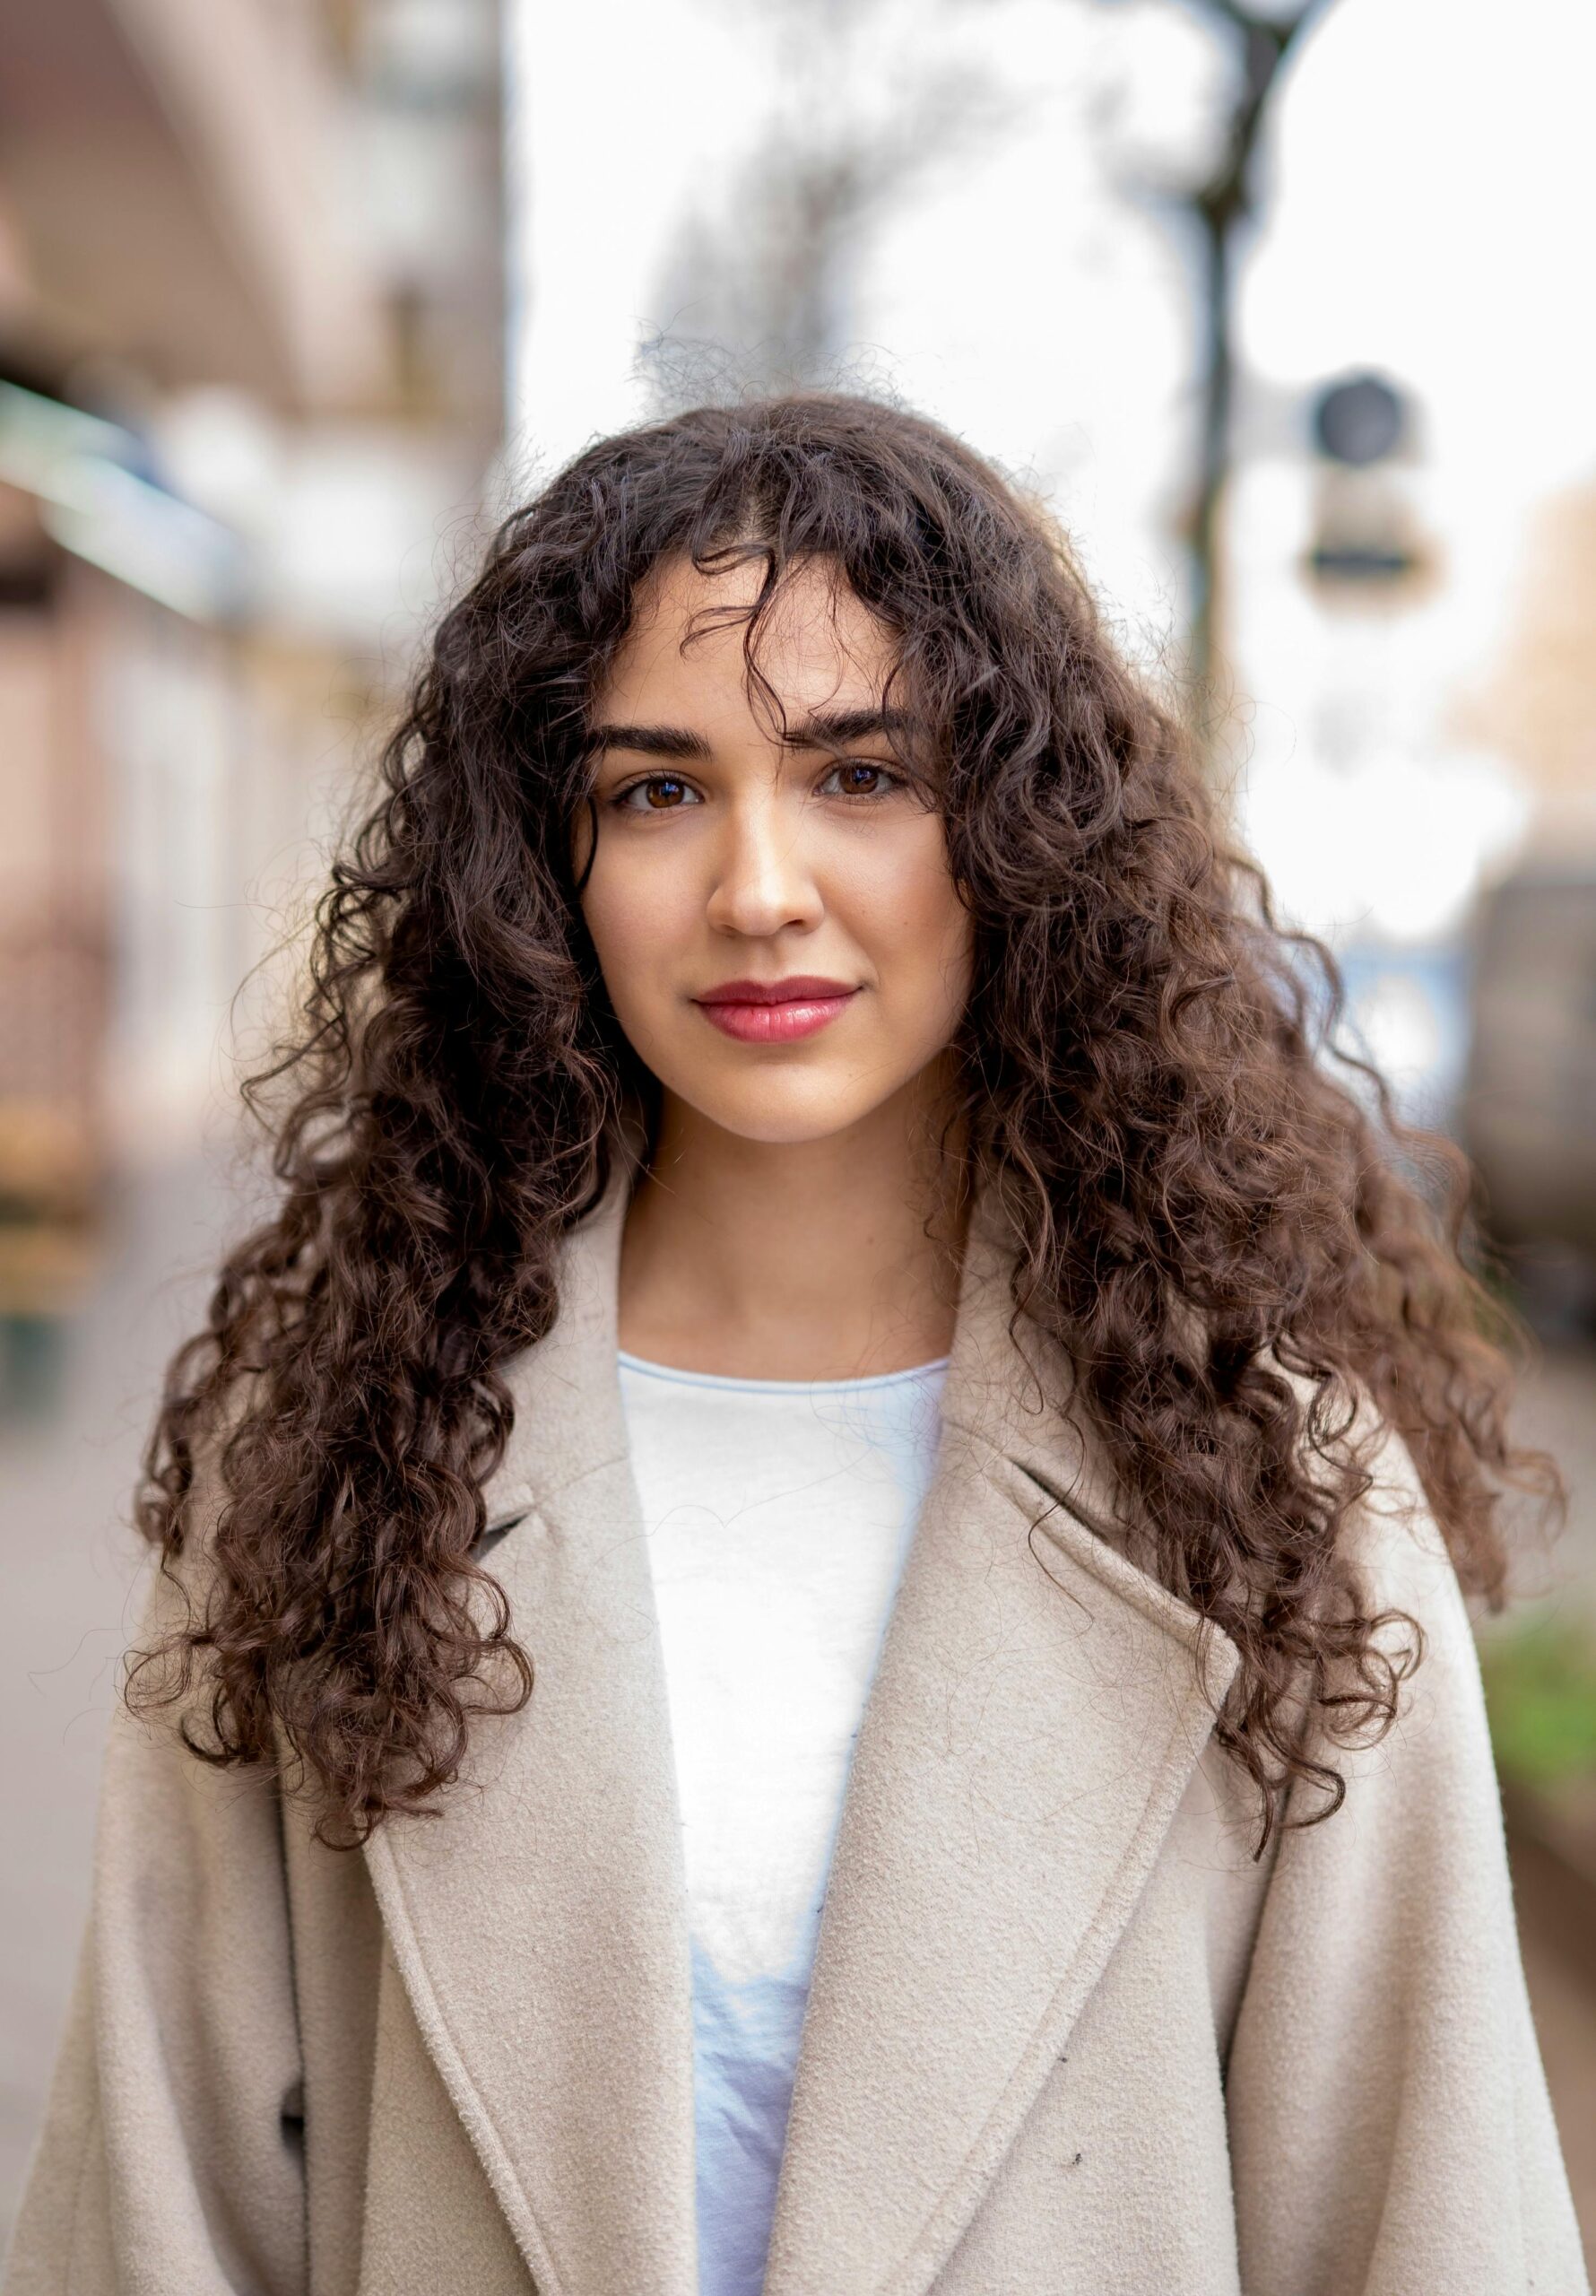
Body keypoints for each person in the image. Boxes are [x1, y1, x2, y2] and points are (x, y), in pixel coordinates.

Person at [4, 394, 1585, 2296]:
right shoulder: (329, 1451)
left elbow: (1428, 2227)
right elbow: (153, 2213)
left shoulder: (1275, 1491)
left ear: (1014, 826)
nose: (758, 885)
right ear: (543, 869)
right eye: (655, 789)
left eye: (858, 773)